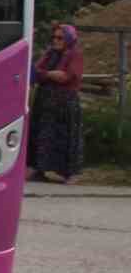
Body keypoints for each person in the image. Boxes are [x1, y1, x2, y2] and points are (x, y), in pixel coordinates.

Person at [28, 22, 85, 184]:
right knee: (42, 136)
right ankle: (40, 169)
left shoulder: (75, 55)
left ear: (69, 39)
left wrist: (44, 74)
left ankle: (71, 173)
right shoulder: (50, 54)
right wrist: (49, 74)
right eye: (54, 37)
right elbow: (35, 72)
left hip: (65, 104)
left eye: (60, 38)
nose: (56, 41)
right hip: (45, 103)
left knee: (66, 138)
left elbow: (65, 77)